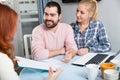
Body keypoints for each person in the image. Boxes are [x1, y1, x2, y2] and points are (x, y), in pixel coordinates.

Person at [0, 3, 62, 80]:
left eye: (52, 15)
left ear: (59, 16)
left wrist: (8, 66)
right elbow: (39, 55)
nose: (15, 30)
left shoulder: (66, 28)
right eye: (13, 25)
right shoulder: (2, 60)